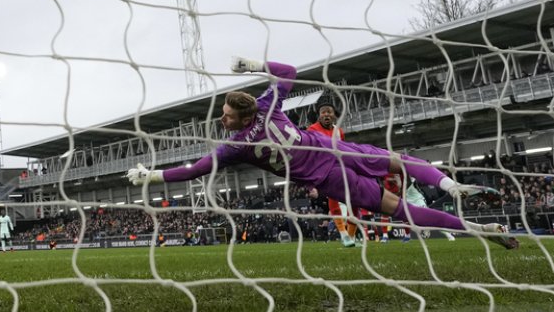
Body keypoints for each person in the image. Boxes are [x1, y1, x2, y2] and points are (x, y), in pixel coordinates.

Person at [127, 57, 518, 250]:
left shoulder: (235, 146)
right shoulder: (268, 106)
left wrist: (154, 176)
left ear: (240, 114)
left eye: (227, 116)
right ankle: (450, 186)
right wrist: (254, 65)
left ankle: (472, 221)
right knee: (398, 161)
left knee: (398, 208)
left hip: (332, 175)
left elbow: (195, 171)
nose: (223, 121)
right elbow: (288, 71)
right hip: (338, 151)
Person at [306, 93, 359, 248]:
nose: (326, 114)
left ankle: (351, 236)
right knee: (333, 198)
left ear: (334, 115)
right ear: (319, 115)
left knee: (354, 200)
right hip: (325, 170)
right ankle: (343, 234)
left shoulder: (339, 131)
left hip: (342, 168)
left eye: (329, 111)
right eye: (323, 112)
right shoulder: (312, 129)